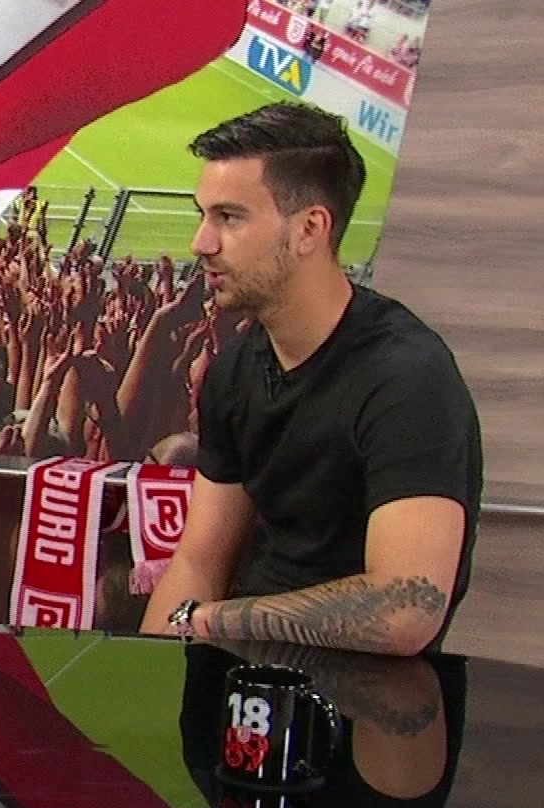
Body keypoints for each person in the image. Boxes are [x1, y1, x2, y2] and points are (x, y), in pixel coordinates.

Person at [140, 102, 482, 657]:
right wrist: (150, 674)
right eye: (204, 216)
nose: (201, 243)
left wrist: (209, 622)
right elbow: (199, 562)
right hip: (240, 680)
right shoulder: (236, 368)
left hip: (363, 697)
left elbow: (406, 609)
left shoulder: (407, 378)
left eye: (229, 218)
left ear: (309, 229)